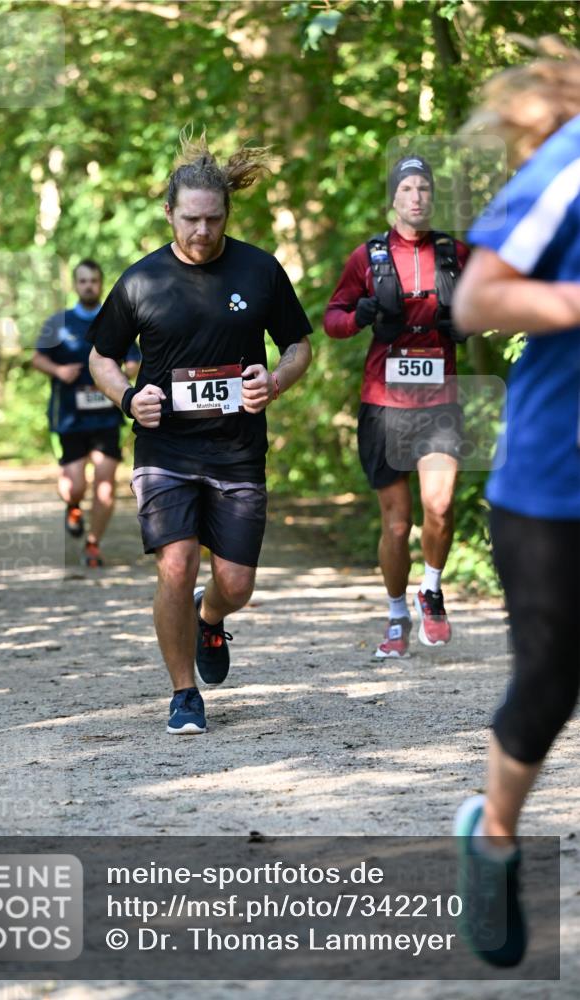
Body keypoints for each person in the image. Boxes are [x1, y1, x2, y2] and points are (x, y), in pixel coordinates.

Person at [87, 130, 312, 735]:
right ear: (169, 213)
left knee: (235, 583)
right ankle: (184, 693)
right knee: (177, 564)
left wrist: (277, 380)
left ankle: (210, 618)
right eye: (191, 220)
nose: (203, 232)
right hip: (165, 449)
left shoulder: (260, 270)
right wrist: (130, 399)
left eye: (213, 220)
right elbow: (101, 357)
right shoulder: (140, 282)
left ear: (226, 214)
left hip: (238, 451)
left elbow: (298, 345)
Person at [451, 43, 580, 967]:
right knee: (550, 677)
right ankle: (493, 835)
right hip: (553, 482)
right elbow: (477, 298)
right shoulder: (569, 161)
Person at [324, 156, 469, 659]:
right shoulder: (368, 257)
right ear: (394, 198)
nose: (417, 196)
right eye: (407, 187)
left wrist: (471, 320)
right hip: (384, 401)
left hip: (440, 399)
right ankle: (395, 616)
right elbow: (332, 318)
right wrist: (358, 315)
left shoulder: (454, 253)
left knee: (441, 504)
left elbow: (487, 302)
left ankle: (430, 590)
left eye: (424, 188)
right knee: (396, 522)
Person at [32, 259, 141, 568]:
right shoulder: (59, 323)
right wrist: (59, 370)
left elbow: (134, 359)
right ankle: (73, 506)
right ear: (75, 285)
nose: (89, 285)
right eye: (83, 281)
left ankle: (93, 544)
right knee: (74, 485)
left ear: (101, 283)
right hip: (69, 415)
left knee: (105, 482)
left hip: (107, 415)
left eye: (93, 280)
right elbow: (37, 358)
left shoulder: (116, 319)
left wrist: (130, 368)